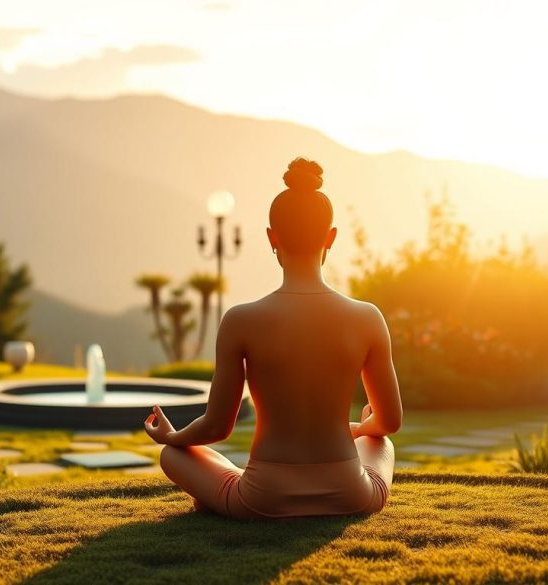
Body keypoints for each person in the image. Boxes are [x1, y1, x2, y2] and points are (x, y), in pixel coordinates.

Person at [144, 157, 401, 519]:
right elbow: (389, 422)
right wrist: (361, 427)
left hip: (262, 500)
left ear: (271, 237)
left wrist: (173, 437)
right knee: (379, 441)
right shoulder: (367, 317)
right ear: (331, 238)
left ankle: (216, 494)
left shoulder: (241, 320)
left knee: (173, 455)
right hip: (351, 494)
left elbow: (218, 426)